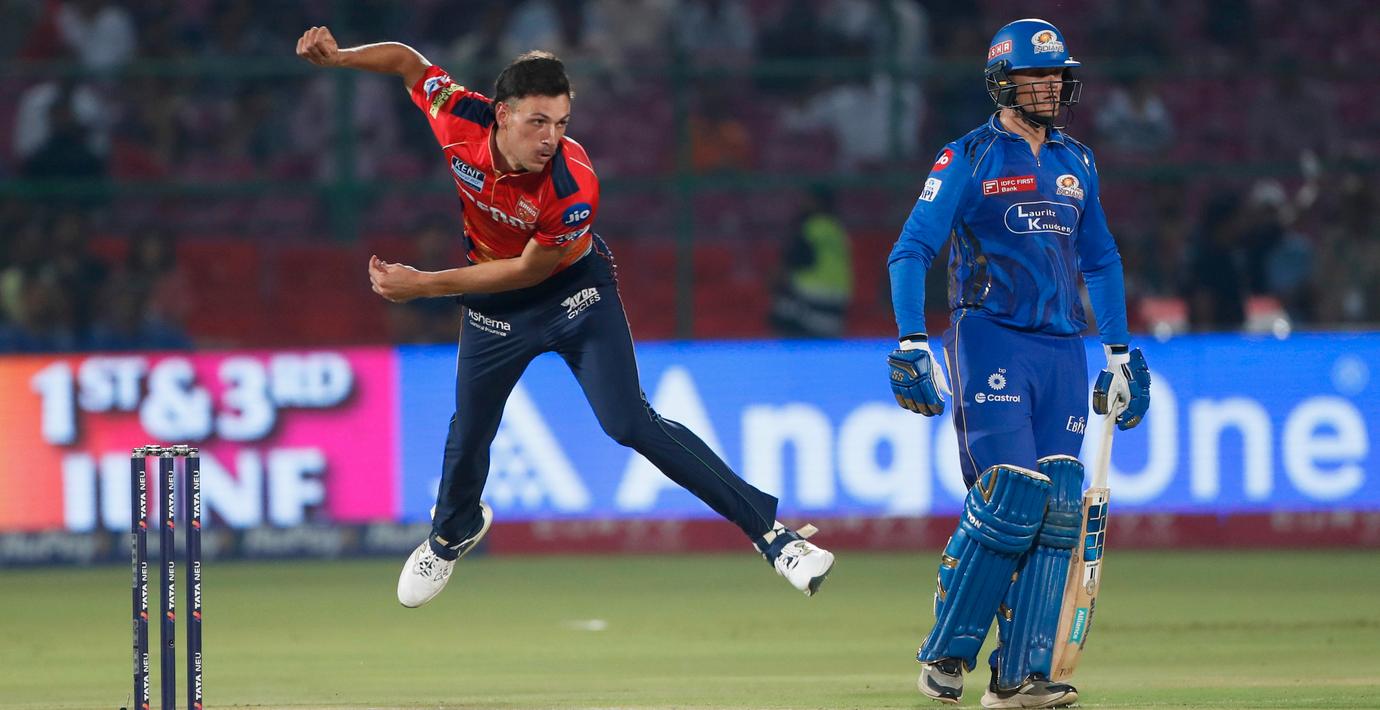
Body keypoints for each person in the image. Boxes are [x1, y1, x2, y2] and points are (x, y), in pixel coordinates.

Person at [294, 27, 834, 608]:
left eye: (561, 123)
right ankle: (452, 533)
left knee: (630, 423)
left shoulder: (573, 183)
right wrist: (340, 57)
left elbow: (529, 271)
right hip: (495, 307)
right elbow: (406, 60)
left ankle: (774, 537)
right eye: (538, 122)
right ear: (502, 114)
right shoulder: (458, 116)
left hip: (574, 296)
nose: (551, 137)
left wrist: (425, 285)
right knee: (470, 430)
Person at [886, 19, 1151, 709]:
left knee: (1059, 506)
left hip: (1063, 349)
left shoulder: (1078, 161)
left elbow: (1101, 259)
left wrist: (1119, 353)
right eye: (1036, 75)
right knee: (1014, 496)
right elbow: (911, 249)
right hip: (991, 339)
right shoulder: (967, 157)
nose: (1050, 86)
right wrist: (912, 340)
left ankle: (1021, 678)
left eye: (1057, 75)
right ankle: (946, 651)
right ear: (1002, 82)